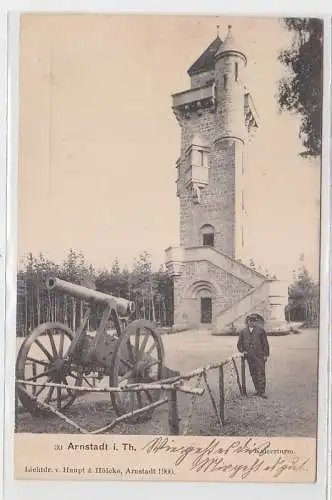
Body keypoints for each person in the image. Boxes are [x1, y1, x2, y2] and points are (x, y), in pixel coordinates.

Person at [237, 313, 270, 399]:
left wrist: (266, 355)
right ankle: (257, 389)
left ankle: (262, 391)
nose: (251, 323)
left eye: (253, 321)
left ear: (256, 322)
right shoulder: (243, 332)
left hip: (259, 356)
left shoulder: (261, 331)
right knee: (253, 373)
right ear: (247, 322)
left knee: (261, 372)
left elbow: (265, 344)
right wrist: (243, 351)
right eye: (250, 321)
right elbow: (239, 344)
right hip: (249, 356)